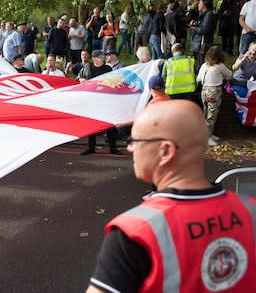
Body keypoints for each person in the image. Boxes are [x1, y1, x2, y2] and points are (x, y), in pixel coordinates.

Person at [86, 100, 256, 293]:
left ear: (165, 151)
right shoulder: (251, 209)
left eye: (136, 141)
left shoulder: (134, 233)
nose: (130, 148)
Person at [79, 50, 122, 156]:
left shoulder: (107, 68)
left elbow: (114, 81)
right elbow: (80, 78)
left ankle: (113, 147)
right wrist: (82, 79)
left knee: (109, 125)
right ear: (94, 58)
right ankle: (91, 147)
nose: (102, 58)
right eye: (99, 57)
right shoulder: (88, 67)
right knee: (91, 124)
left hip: (105, 100)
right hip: (92, 100)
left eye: (102, 57)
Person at [196, 45, 232, 146]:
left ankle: (208, 134)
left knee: (205, 113)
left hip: (204, 91)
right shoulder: (220, 66)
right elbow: (230, 74)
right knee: (212, 116)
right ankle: (207, 137)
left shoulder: (204, 65)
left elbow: (198, 79)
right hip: (214, 92)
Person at [189, 0, 216, 73]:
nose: (198, 5)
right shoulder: (202, 14)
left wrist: (194, 28)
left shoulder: (209, 14)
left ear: (204, 4)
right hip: (197, 42)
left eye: (200, 3)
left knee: (201, 64)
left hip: (202, 43)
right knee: (197, 62)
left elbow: (205, 29)